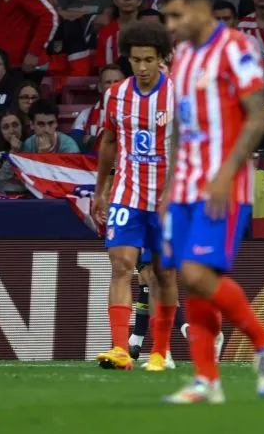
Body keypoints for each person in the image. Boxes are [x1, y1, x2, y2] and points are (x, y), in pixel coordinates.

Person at [158, 0, 264, 404]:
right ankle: (206, 381)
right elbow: (179, 128)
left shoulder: (236, 48)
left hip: (222, 185)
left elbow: (256, 118)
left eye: (175, 15)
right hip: (185, 187)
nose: (170, 25)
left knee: (196, 273)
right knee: (190, 282)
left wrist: (227, 174)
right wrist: (168, 187)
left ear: (200, 8)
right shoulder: (183, 58)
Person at [90, 21, 193, 372]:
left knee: (164, 274)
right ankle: (120, 348)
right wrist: (101, 189)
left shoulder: (178, 97)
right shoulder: (116, 94)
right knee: (121, 266)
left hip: (167, 199)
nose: (143, 67)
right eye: (136, 60)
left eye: (149, 60)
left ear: (162, 58)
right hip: (126, 194)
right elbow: (109, 141)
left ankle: (160, 352)